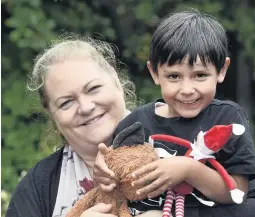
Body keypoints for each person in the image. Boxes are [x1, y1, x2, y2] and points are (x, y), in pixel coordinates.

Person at [93, 10, 255, 217]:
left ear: (222, 70)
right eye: (174, 76)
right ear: (154, 73)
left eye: (200, 75)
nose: (187, 89)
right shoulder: (134, 124)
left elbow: (238, 192)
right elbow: (120, 183)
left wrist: (189, 170)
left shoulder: (227, 120)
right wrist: (105, 176)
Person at [5, 36, 161, 217]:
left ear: (116, 80)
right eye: (66, 103)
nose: (86, 107)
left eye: (93, 88)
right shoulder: (36, 188)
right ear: (51, 114)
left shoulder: (181, 143)